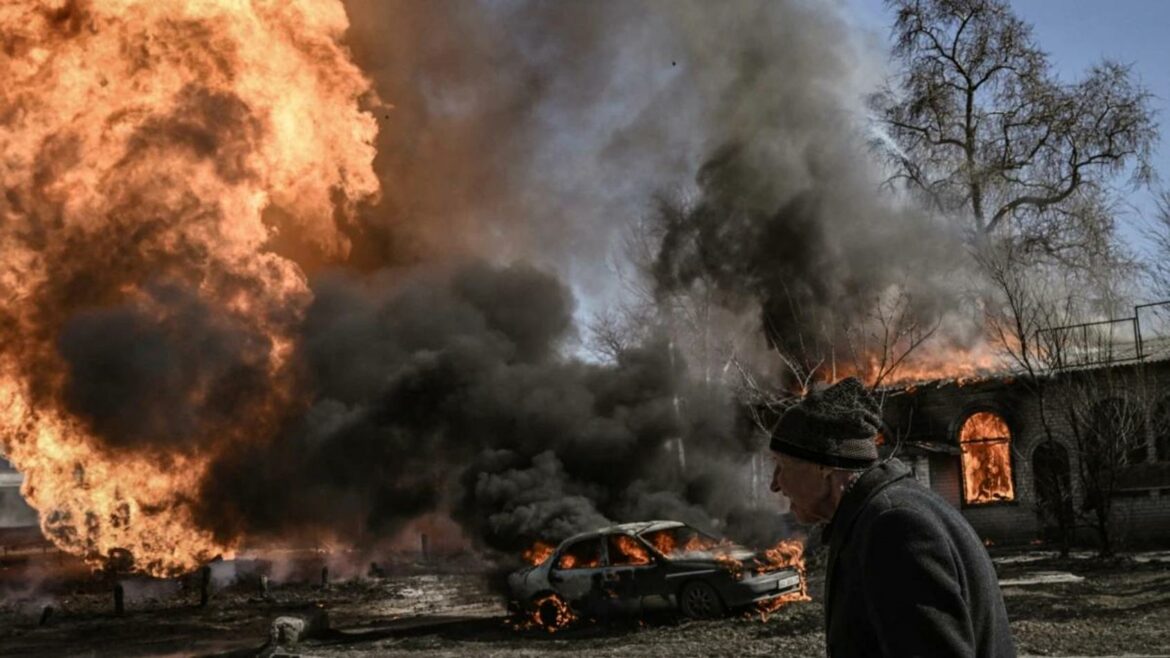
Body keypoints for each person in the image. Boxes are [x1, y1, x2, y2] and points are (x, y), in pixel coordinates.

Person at [769, 377, 1014, 657]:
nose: (775, 484)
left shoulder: (895, 529)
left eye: (781, 465)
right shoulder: (883, 515)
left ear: (824, 465)